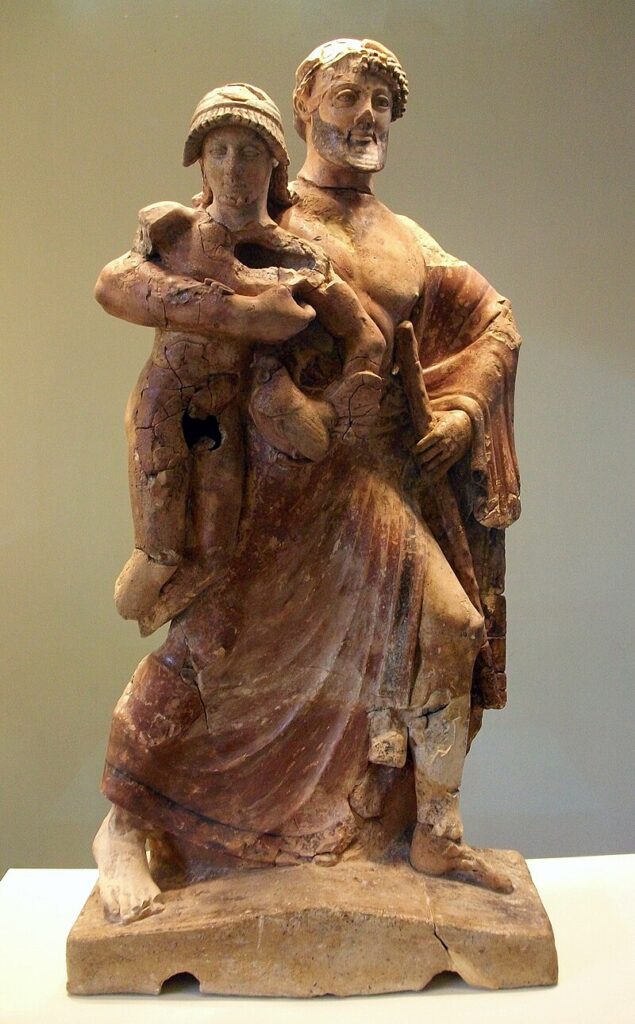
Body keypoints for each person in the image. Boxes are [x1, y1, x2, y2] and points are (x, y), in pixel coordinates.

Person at [93, 41, 521, 925]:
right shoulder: (258, 203)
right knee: (212, 650)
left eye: (382, 103)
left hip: (363, 481)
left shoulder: (407, 243)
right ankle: (124, 826)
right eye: (347, 95)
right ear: (303, 106)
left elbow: (494, 324)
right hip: (257, 486)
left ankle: (434, 831)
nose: (366, 115)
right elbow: (133, 283)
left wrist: (460, 412)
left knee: (451, 626)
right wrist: (245, 325)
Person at [101, 84, 386, 635]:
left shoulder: (298, 259)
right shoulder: (174, 230)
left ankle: (187, 656)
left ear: (275, 164)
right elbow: (113, 284)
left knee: (214, 554)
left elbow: (364, 337)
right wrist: (241, 314)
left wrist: (337, 408)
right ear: (201, 164)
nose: (234, 168)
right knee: (158, 552)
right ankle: (154, 628)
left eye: (251, 152)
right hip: (164, 407)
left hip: (227, 420)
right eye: (219, 151)